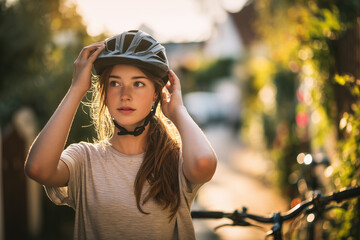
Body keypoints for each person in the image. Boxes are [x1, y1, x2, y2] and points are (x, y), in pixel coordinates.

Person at [25, 30, 217, 240]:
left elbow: (204, 164)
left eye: (138, 83)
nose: (125, 95)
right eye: (115, 83)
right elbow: (37, 168)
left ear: (156, 94)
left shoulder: (176, 160)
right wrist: (76, 89)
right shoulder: (85, 160)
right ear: (104, 92)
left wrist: (177, 111)